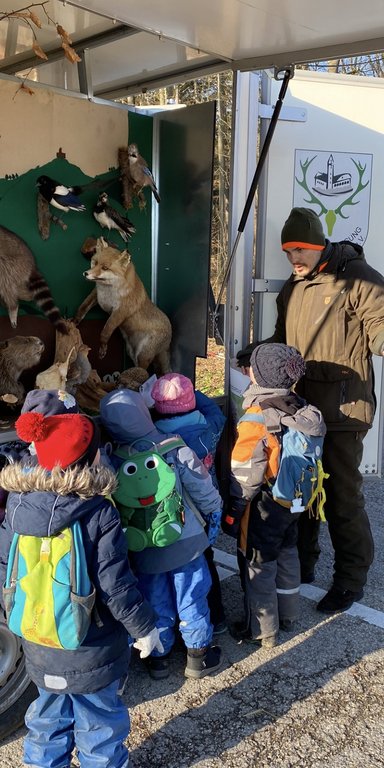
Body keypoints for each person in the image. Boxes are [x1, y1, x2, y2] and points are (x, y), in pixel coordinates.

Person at [237, 206, 384, 613]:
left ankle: (350, 580)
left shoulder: (359, 279)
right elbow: (283, 338)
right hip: (298, 410)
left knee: (341, 497)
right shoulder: (293, 287)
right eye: (288, 252)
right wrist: (256, 352)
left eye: (300, 249)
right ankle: (303, 567)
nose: (294, 259)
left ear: (319, 243)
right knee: (299, 492)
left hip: (342, 412)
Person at [0, 411, 163, 768]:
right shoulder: (99, 512)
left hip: (39, 638)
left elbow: (7, 569)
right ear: (88, 461)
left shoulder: (17, 505)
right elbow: (115, 587)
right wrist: (144, 628)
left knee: (46, 719)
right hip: (92, 644)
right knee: (99, 724)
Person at [99, 388, 224, 680]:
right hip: (186, 540)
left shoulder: (113, 461)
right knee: (192, 594)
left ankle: (159, 657)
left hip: (143, 545)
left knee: (155, 596)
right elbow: (201, 488)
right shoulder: (173, 447)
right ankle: (198, 655)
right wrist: (215, 511)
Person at [224, 343, 326, 646]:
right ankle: (289, 612)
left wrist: (237, 504)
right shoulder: (302, 407)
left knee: (259, 563)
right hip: (295, 500)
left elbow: (246, 470)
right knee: (287, 552)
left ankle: (262, 629)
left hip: (265, 504)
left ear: (256, 374)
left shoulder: (258, 416)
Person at [151, 372, 227, 634]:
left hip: (178, 512)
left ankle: (175, 625)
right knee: (206, 560)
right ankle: (216, 618)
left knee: (178, 568)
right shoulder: (211, 426)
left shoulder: (157, 438)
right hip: (207, 505)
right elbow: (211, 409)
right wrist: (190, 393)